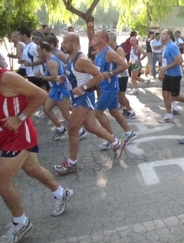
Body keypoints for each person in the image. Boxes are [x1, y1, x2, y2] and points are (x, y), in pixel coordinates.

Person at [0, 42, 74, 243]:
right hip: (5, 137)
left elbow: (41, 94)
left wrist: (20, 117)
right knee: (33, 170)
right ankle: (61, 193)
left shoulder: (6, 78)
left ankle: (21, 222)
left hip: (19, 137)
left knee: (0, 184)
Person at [53, 33, 124, 175]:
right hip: (78, 97)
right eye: (63, 42)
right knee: (91, 127)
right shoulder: (69, 58)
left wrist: (83, 88)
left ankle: (72, 164)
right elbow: (76, 76)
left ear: (74, 43)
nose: (63, 45)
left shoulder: (81, 60)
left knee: (73, 130)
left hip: (84, 97)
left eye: (66, 42)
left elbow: (98, 76)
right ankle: (116, 143)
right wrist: (64, 78)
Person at [92, 30, 137, 149]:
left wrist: (111, 73)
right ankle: (129, 133)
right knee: (114, 112)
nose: (94, 37)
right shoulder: (98, 52)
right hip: (104, 86)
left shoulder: (110, 52)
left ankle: (111, 139)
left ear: (103, 39)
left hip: (111, 88)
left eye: (96, 36)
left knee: (97, 112)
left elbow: (124, 65)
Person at [36, 42, 72, 141]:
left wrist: (41, 77)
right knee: (46, 109)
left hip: (61, 90)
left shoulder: (51, 62)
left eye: (39, 51)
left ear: (44, 50)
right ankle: (60, 128)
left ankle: (80, 131)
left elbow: (54, 77)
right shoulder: (49, 60)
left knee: (66, 114)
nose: (37, 53)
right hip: (55, 90)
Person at [158, 29, 184, 123]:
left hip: (175, 75)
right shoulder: (166, 46)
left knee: (174, 97)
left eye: (163, 34)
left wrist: (166, 67)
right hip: (167, 74)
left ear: (169, 36)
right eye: (161, 34)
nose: (161, 35)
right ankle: (168, 114)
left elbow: (180, 61)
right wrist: (162, 70)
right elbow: (166, 60)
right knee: (165, 94)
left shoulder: (172, 46)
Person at [107, 32, 136, 119]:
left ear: (112, 39)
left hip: (122, 75)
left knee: (121, 95)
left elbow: (122, 63)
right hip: (116, 75)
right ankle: (125, 108)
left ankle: (130, 111)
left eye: (107, 39)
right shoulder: (111, 48)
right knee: (117, 95)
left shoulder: (118, 49)